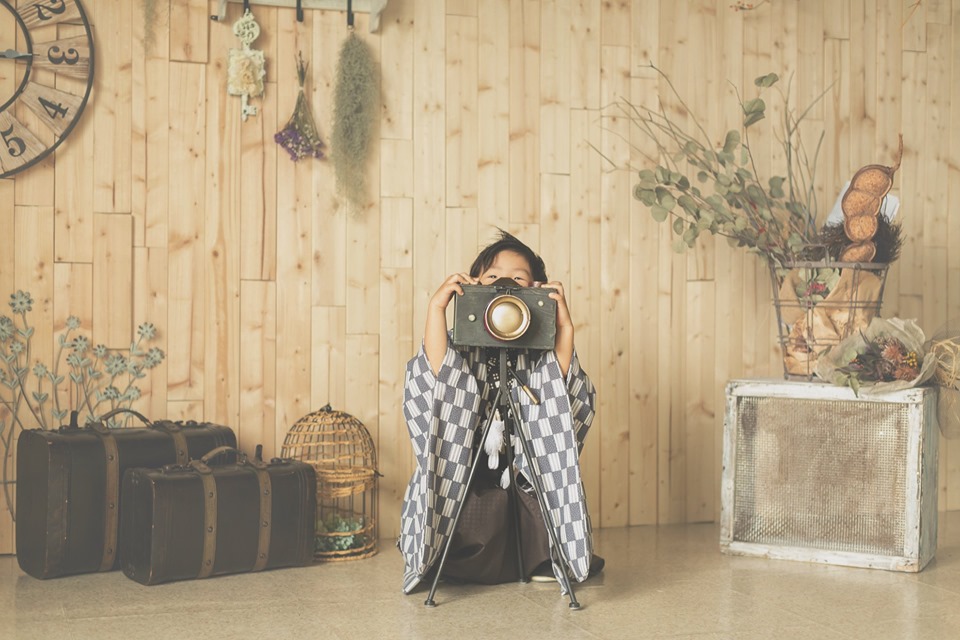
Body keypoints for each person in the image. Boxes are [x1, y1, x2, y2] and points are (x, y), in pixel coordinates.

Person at [398, 229, 599, 594]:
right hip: (472, 476)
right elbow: (437, 379)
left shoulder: (538, 346)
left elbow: (558, 394)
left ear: (536, 288)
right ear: (473, 284)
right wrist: (437, 308)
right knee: (463, 501)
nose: (504, 283)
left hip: (521, 477)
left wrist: (564, 326)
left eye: (518, 278)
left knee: (542, 486)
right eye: (491, 277)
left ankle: (543, 556)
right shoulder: (459, 337)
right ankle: (445, 557)